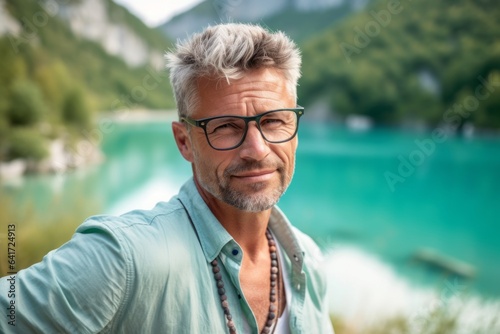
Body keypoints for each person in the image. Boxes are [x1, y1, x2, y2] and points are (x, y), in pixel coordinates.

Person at [0, 23, 334, 334]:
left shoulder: (307, 260)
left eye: (274, 121)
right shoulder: (125, 257)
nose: (257, 150)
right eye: (226, 127)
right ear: (184, 141)